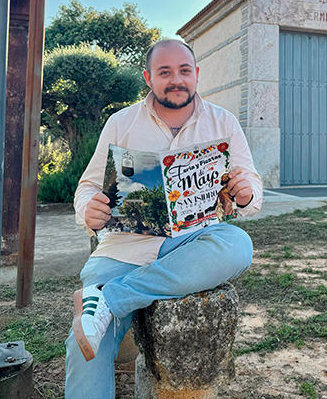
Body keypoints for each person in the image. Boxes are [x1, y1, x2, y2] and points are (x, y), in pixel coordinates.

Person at [64, 39, 262, 398]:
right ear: (148, 78)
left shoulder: (223, 122)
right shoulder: (121, 122)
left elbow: (252, 187)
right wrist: (88, 211)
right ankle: (104, 303)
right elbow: (88, 187)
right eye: (165, 72)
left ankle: (110, 298)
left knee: (238, 244)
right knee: (85, 345)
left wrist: (245, 192)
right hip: (125, 246)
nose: (176, 80)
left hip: (194, 241)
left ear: (196, 74)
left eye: (184, 71)